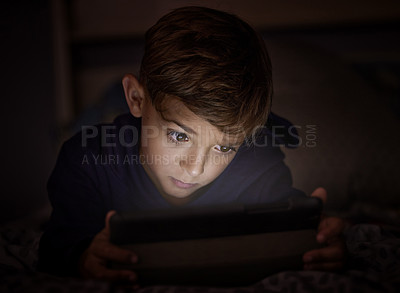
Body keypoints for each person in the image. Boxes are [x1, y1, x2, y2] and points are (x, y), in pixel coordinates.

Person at [38, 6, 347, 285]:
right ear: (136, 99)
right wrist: (84, 257)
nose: (196, 168)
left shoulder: (257, 166)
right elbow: (58, 243)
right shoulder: (88, 161)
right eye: (179, 136)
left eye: (225, 148)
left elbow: (284, 227)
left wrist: (316, 241)